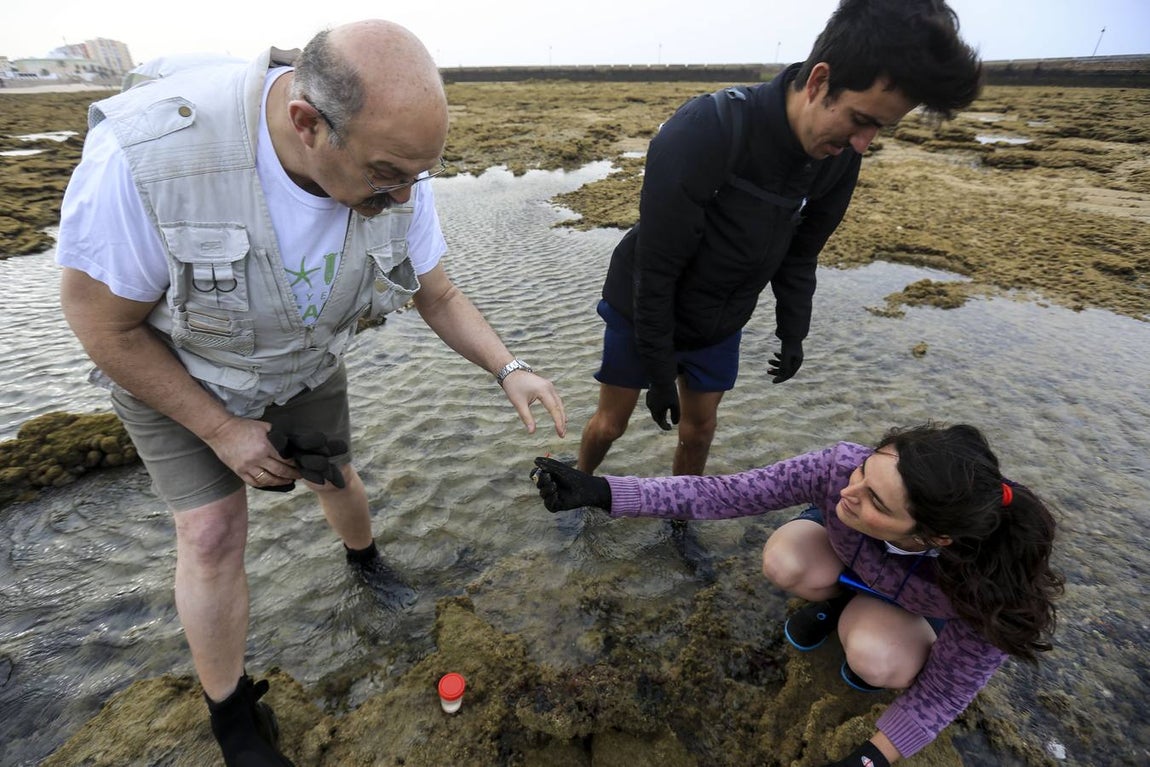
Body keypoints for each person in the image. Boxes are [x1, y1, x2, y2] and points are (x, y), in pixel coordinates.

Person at [57, 20, 566, 767]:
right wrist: (222, 429)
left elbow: (439, 292)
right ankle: (231, 715)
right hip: (175, 359)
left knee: (336, 471)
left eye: (417, 176)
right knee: (210, 533)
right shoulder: (148, 160)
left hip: (303, 351)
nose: (402, 196)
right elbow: (101, 323)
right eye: (387, 172)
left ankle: (365, 562)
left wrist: (508, 365)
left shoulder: (399, 175)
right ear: (307, 123)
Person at [578, 0, 982, 479]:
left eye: (879, 127)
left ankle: (681, 520)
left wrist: (794, 330)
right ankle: (579, 483)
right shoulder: (705, 130)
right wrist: (659, 369)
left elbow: (801, 253)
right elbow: (656, 267)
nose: (863, 143)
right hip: (642, 306)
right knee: (611, 424)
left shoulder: (839, 157)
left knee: (699, 431)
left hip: (718, 320)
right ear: (819, 81)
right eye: (861, 119)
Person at [531, 423, 1064, 766]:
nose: (848, 493)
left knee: (878, 661)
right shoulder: (837, 472)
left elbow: (945, 693)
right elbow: (725, 492)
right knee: (784, 560)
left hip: (907, 606)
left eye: (875, 499)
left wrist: (870, 758)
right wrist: (604, 492)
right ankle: (836, 599)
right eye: (863, 470)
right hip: (850, 560)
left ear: (933, 537)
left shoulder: (986, 585)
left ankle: (860, 618)